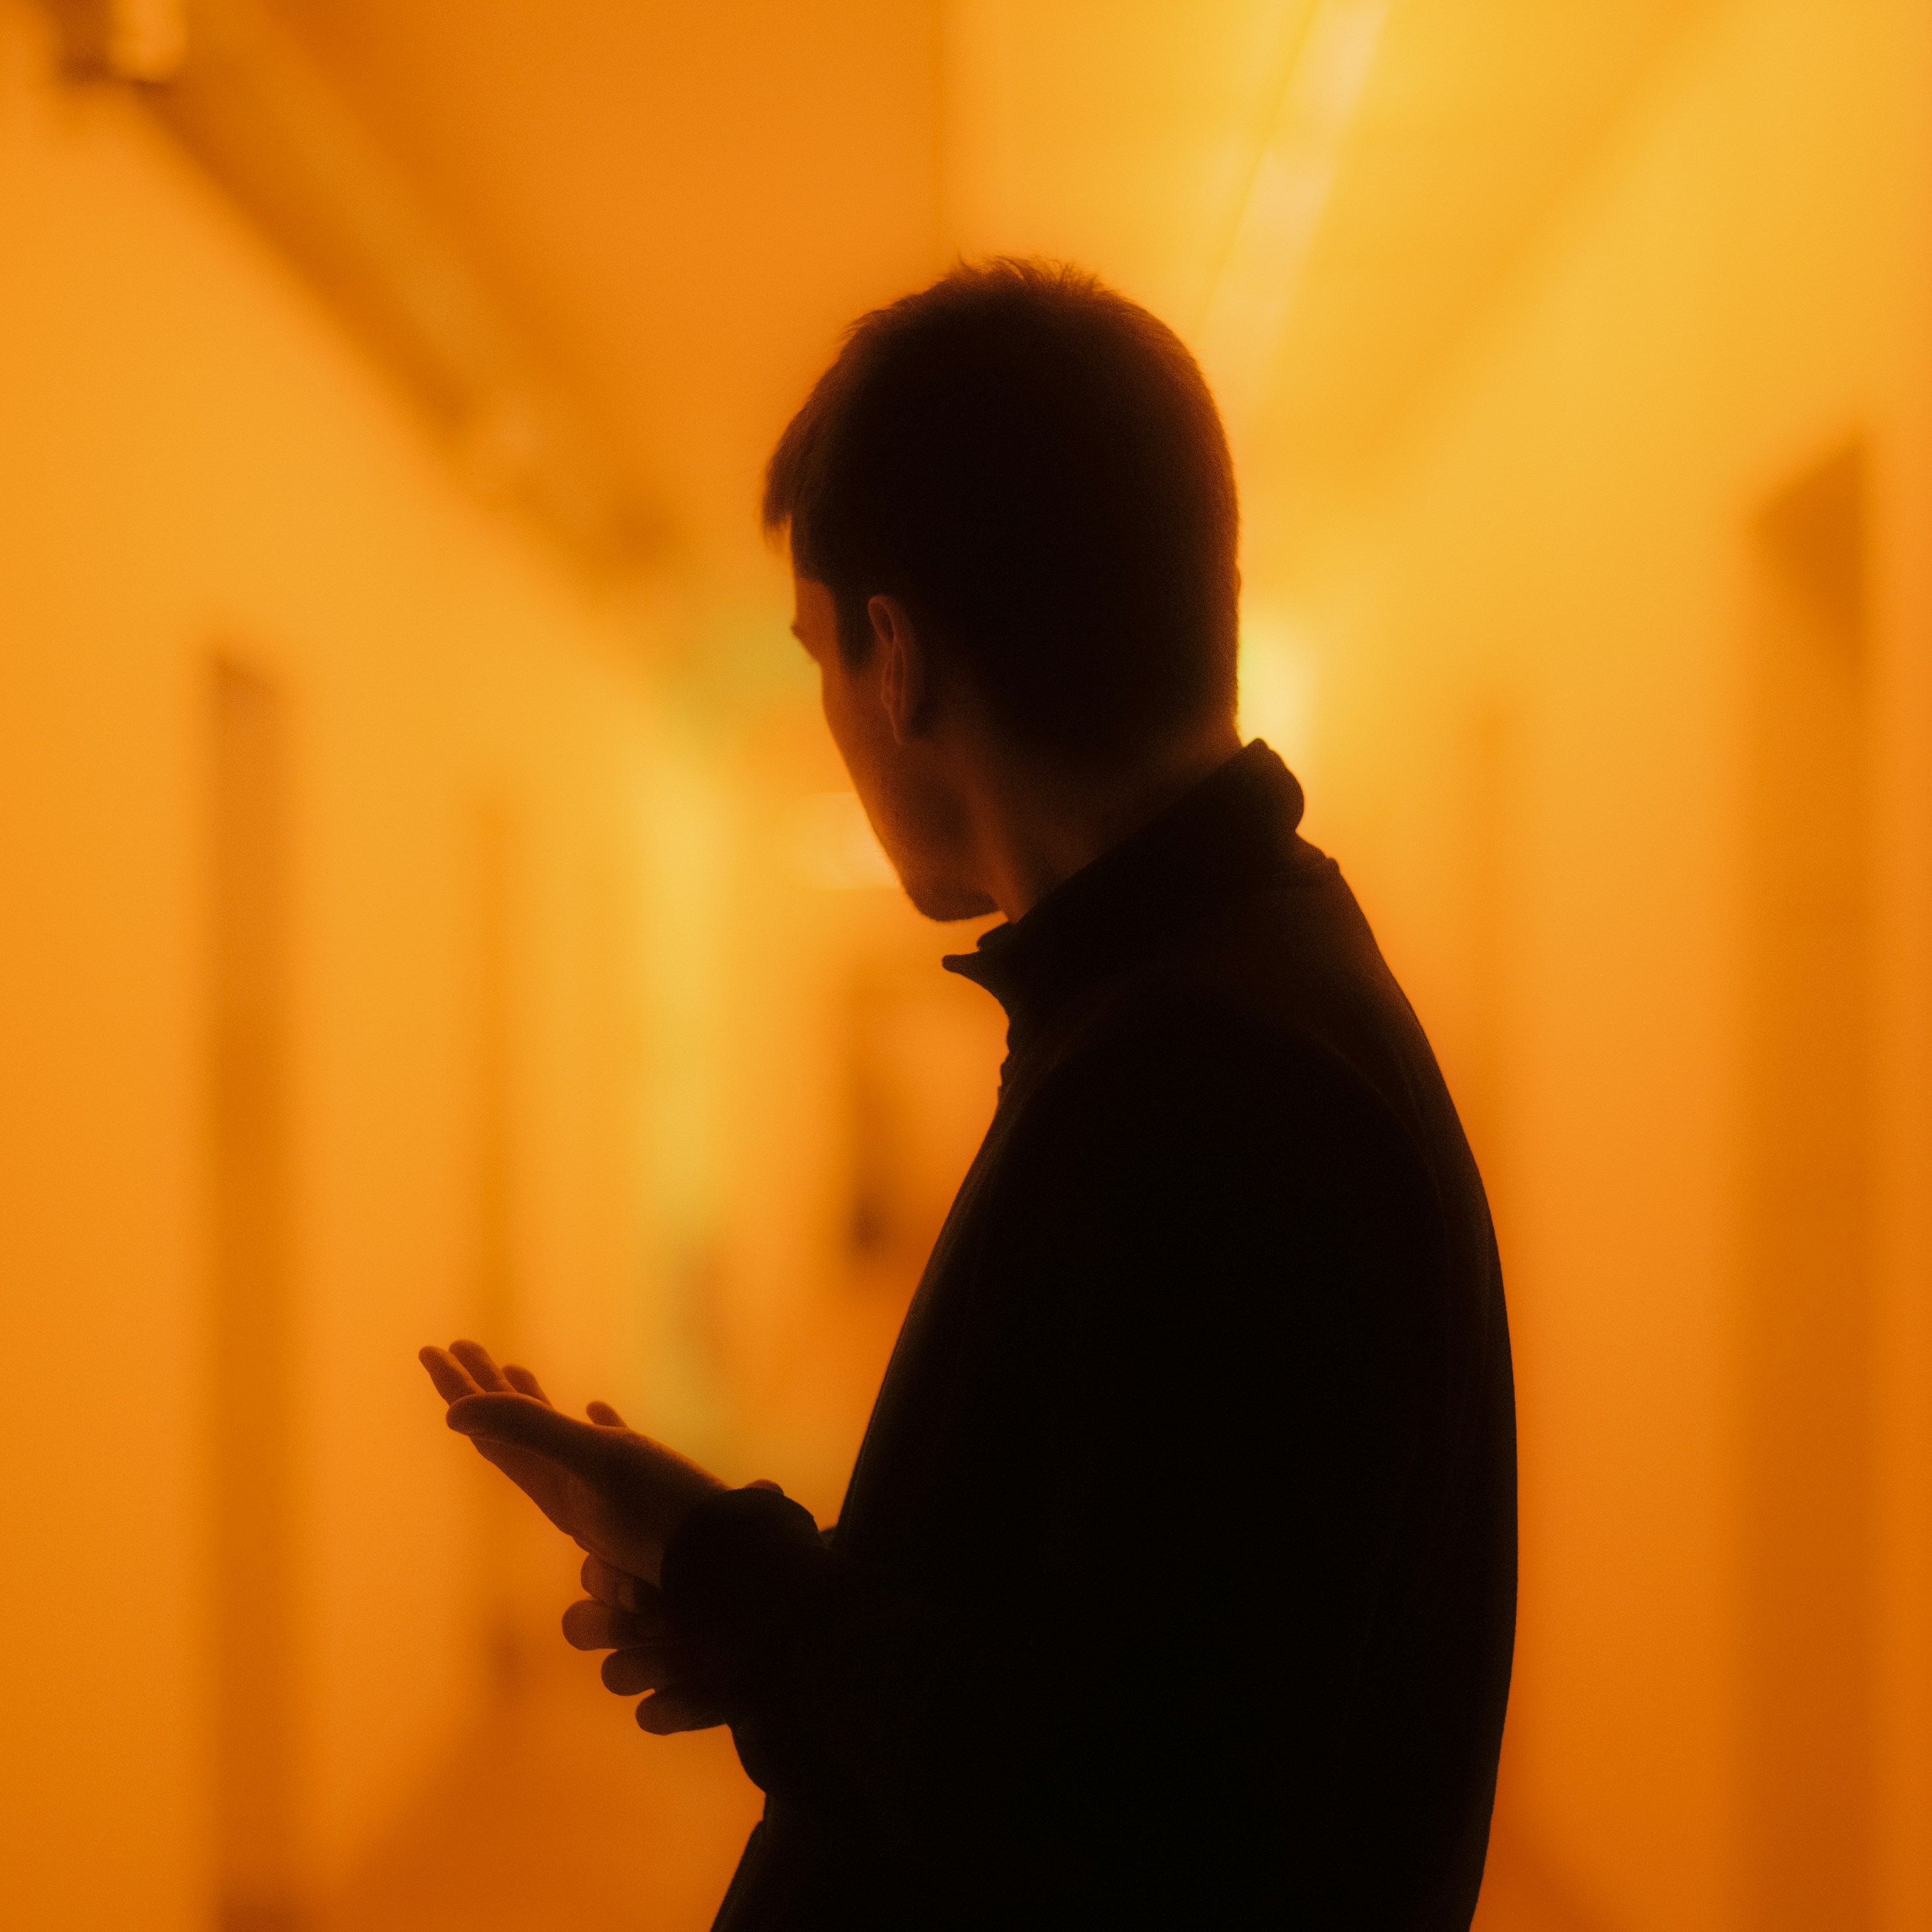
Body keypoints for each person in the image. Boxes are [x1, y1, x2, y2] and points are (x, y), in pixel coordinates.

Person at [421, 258, 1515, 1930]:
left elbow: (1116, 1827)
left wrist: (733, 1574)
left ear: (896, 658)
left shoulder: (1200, 1086)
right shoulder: (1218, 1002)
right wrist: (768, 1621)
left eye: (815, 653)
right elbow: (1090, 1664)